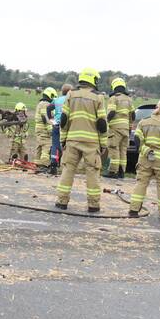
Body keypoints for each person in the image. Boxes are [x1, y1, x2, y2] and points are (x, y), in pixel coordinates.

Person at [55, 69, 107, 213]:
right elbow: (102, 123)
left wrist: (63, 140)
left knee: (68, 170)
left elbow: (64, 120)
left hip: (72, 140)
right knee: (92, 173)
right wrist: (103, 144)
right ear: (93, 80)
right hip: (91, 143)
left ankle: (61, 202)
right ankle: (93, 205)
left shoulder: (71, 94)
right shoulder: (98, 98)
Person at [104, 77, 134, 179]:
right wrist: (129, 127)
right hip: (126, 129)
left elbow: (112, 112)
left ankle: (113, 171)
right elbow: (132, 115)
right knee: (123, 150)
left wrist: (106, 121)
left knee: (114, 149)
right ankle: (121, 172)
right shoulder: (129, 99)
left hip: (115, 128)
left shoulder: (114, 98)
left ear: (114, 87)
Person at [47, 84, 72, 174]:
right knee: (66, 145)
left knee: (55, 144)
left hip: (56, 124)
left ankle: (53, 163)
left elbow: (48, 108)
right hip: (67, 126)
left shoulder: (56, 100)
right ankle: (65, 166)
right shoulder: (70, 100)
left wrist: (51, 119)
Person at [34, 87, 57, 168]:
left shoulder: (40, 104)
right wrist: (51, 130)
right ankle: (44, 164)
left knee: (39, 146)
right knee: (46, 146)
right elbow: (46, 118)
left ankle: (37, 163)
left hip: (39, 129)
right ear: (50, 95)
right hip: (44, 130)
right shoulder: (46, 105)